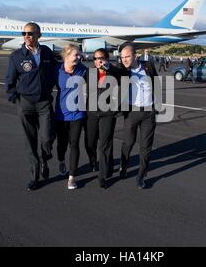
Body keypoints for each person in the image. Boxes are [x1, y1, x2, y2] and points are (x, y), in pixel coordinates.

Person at [5, 22, 58, 191]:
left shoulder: (48, 53)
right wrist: (16, 99)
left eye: (30, 33)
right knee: (30, 141)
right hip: (26, 103)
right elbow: (10, 81)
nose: (27, 36)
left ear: (39, 35)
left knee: (47, 137)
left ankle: (44, 158)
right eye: (24, 33)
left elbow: (56, 73)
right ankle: (34, 175)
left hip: (44, 102)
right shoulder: (16, 56)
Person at [118, 43, 158, 189]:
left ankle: (141, 175)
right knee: (128, 143)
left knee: (145, 146)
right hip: (131, 112)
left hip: (149, 112)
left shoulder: (148, 66)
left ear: (135, 56)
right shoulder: (123, 71)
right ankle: (124, 165)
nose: (124, 59)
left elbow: (156, 84)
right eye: (122, 57)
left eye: (127, 56)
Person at [84, 48, 124, 189]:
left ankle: (103, 175)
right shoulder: (89, 73)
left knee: (105, 144)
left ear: (107, 58)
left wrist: (110, 68)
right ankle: (97, 161)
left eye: (100, 58)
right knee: (90, 143)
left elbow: (123, 77)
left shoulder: (113, 72)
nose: (97, 61)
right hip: (92, 113)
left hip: (108, 113)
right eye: (95, 58)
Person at [54, 45, 87, 190]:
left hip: (78, 114)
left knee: (74, 144)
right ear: (66, 56)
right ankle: (61, 160)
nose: (79, 57)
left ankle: (72, 177)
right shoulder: (56, 71)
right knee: (62, 144)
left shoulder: (83, 69)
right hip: (61, 115)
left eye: (80, 55)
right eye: (76, 55)